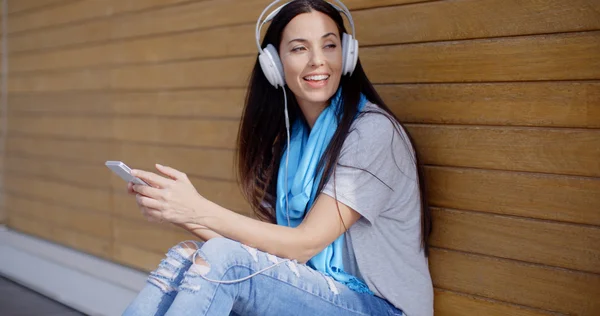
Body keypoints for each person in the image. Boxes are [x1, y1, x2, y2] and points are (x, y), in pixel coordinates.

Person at [122, 0, 433, 315]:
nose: (318, 61)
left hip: (381, 308)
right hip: (318, 292)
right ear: (273, 63)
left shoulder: (372, 133)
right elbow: (269, 253)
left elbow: (304, 244)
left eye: (329, 45)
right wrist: (180, 212)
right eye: (299, 49)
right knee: (186, 256)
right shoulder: (291, 144)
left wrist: (198, 208)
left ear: (347, 54)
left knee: (222, 260)